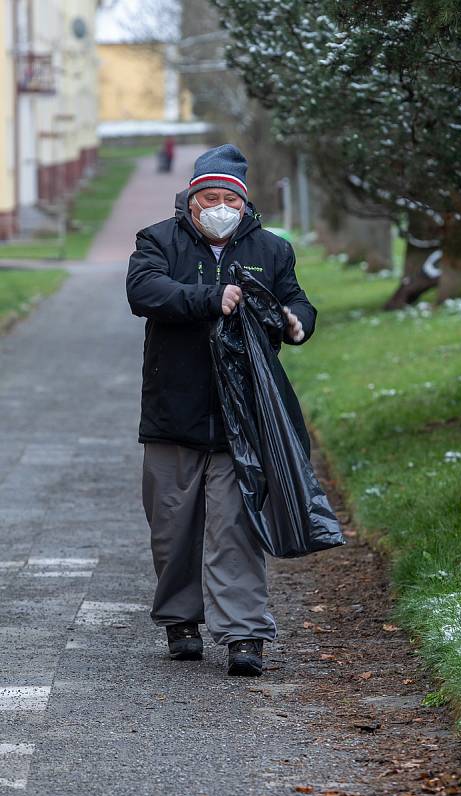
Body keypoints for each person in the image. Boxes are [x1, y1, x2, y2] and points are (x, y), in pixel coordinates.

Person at [126, 143, 317, 677]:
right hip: (173, 412)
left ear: (243, 202)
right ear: (190, 199)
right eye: (208, 196)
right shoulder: (158, 241)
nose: (218, 207)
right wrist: (210, 298)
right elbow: (144, 291)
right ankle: (182, 621)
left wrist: (297, 322)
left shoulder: (272, 250)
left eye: (228, 198)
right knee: (172, 528)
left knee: (236, 527)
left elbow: (296, 301)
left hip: (244, 419)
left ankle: (244, 635)